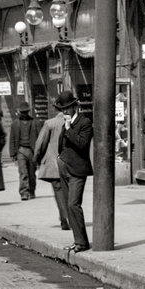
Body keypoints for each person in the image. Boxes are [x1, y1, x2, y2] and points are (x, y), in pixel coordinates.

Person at [55, 91, 92, 252]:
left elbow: (83, 144)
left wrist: (69, 129)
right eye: (62, 109)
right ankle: (78, 241)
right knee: (68, 206)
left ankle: (82, 242)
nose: (64, 112)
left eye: (67, 108)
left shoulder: (85, 122)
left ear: (75, 107)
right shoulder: (65, 124)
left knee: (73, 204)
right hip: (64, 168)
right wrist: (60, 158)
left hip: (77, 170)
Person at [9, 105, 37, 200]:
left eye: (26, 112)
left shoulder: (34, 122)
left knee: (32, 173)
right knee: (23, 172)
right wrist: (13, 153)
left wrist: (39, 153)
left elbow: (39, 138)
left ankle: (32, 191)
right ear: (20, 112)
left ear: (28, 112)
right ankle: (24, 192)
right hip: (20, 150)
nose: (24, 114)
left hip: (31, 150)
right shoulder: (15, 124)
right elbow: (12, 139)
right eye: (22, 112)